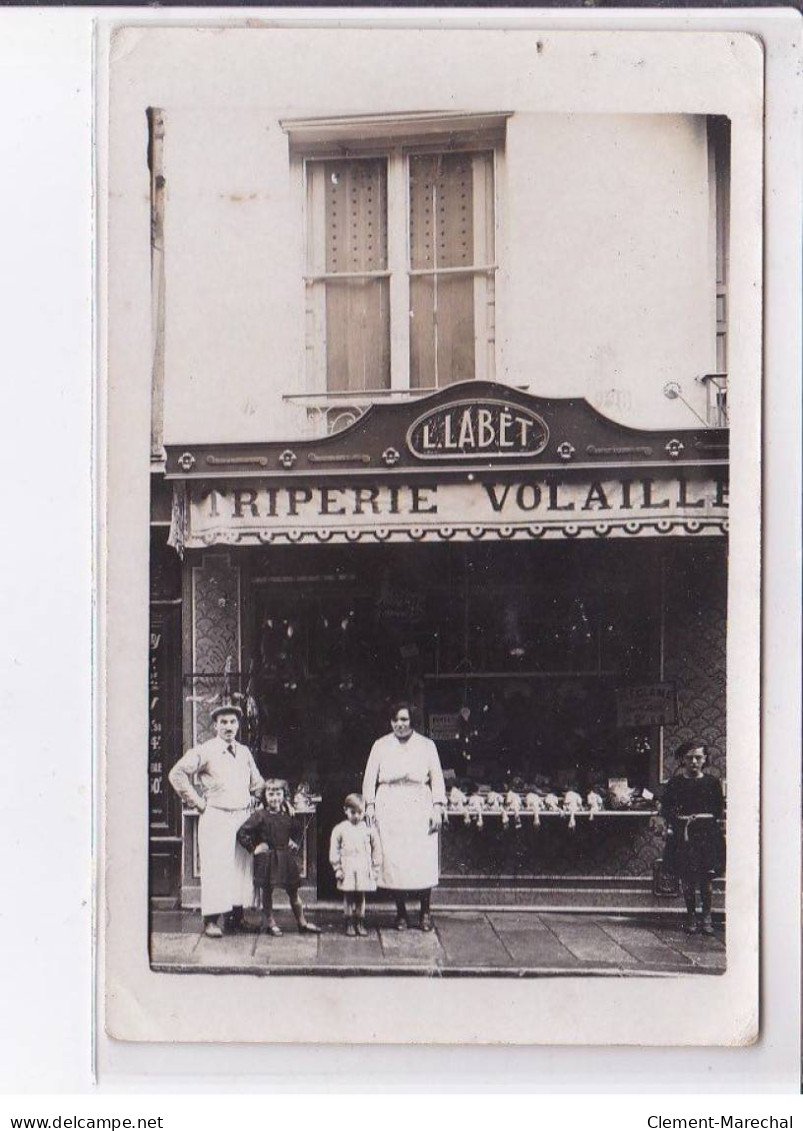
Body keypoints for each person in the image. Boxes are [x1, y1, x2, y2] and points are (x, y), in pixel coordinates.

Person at [168, 703, 264, 938]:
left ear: (238, 725)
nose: (228, 727)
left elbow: (258, 782)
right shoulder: (206, 750)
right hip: (217, 816)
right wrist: (198, 802)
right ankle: (211, 920)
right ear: (215, 726)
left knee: (240, 868)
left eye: (232, 722)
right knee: (216, 868)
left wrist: (254, 797)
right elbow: (176, 774)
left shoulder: (244, 752)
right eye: (223, 722)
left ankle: (236, 918)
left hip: (242, 817)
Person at [362, 701, 446, 932]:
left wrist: (437, 807)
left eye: (404, 719)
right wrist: (369, 806)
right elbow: (370, 778)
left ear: (412, 721)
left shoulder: (426, 746)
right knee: (394, 860)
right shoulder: (380, 745)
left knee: (421, 859)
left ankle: (425, 911)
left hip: (419, 802)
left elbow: (437, 777)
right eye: (396, 720)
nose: (400, 724)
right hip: (389, 804)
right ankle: (401, 913)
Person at [236, 779, 320, 937]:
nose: (274, 798)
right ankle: (270, 923)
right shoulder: (260, 815)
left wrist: (292, 841)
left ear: (284, 795)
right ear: (265, 796)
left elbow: (295, 828)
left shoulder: (288, 812)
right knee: (267, 893)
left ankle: (302, 922)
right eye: (270, 794)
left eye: (278, 794)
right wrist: (254, 848)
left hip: (285, 858)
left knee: (293, 892)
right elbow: (242, 832)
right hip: (268, 858)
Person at [661, 741, 725, 936]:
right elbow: (668, 808)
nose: (694, 761)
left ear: (705, 759)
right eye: (689, 758)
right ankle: (690, 915)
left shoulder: (713, 783)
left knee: (706, 879)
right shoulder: (675, 783)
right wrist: (673, 825)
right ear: (682, 760)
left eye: (698, 757)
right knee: (688, 879)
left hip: (706, 835)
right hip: (685, 835)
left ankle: (706, 916)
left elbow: (717, 810)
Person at [329, 793, 383, 937]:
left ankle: (360, 921)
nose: (357, 816)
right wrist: (337, 869)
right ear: (345, 810)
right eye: (353, 812)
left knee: (361, 896)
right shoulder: (340, 829)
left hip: (363, 868)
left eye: (360, 812)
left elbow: (377, 849)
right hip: (347, 868)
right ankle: (349, 922)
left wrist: (375, 869)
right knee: (348, 896)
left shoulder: (369, 829)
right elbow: (334, 850)